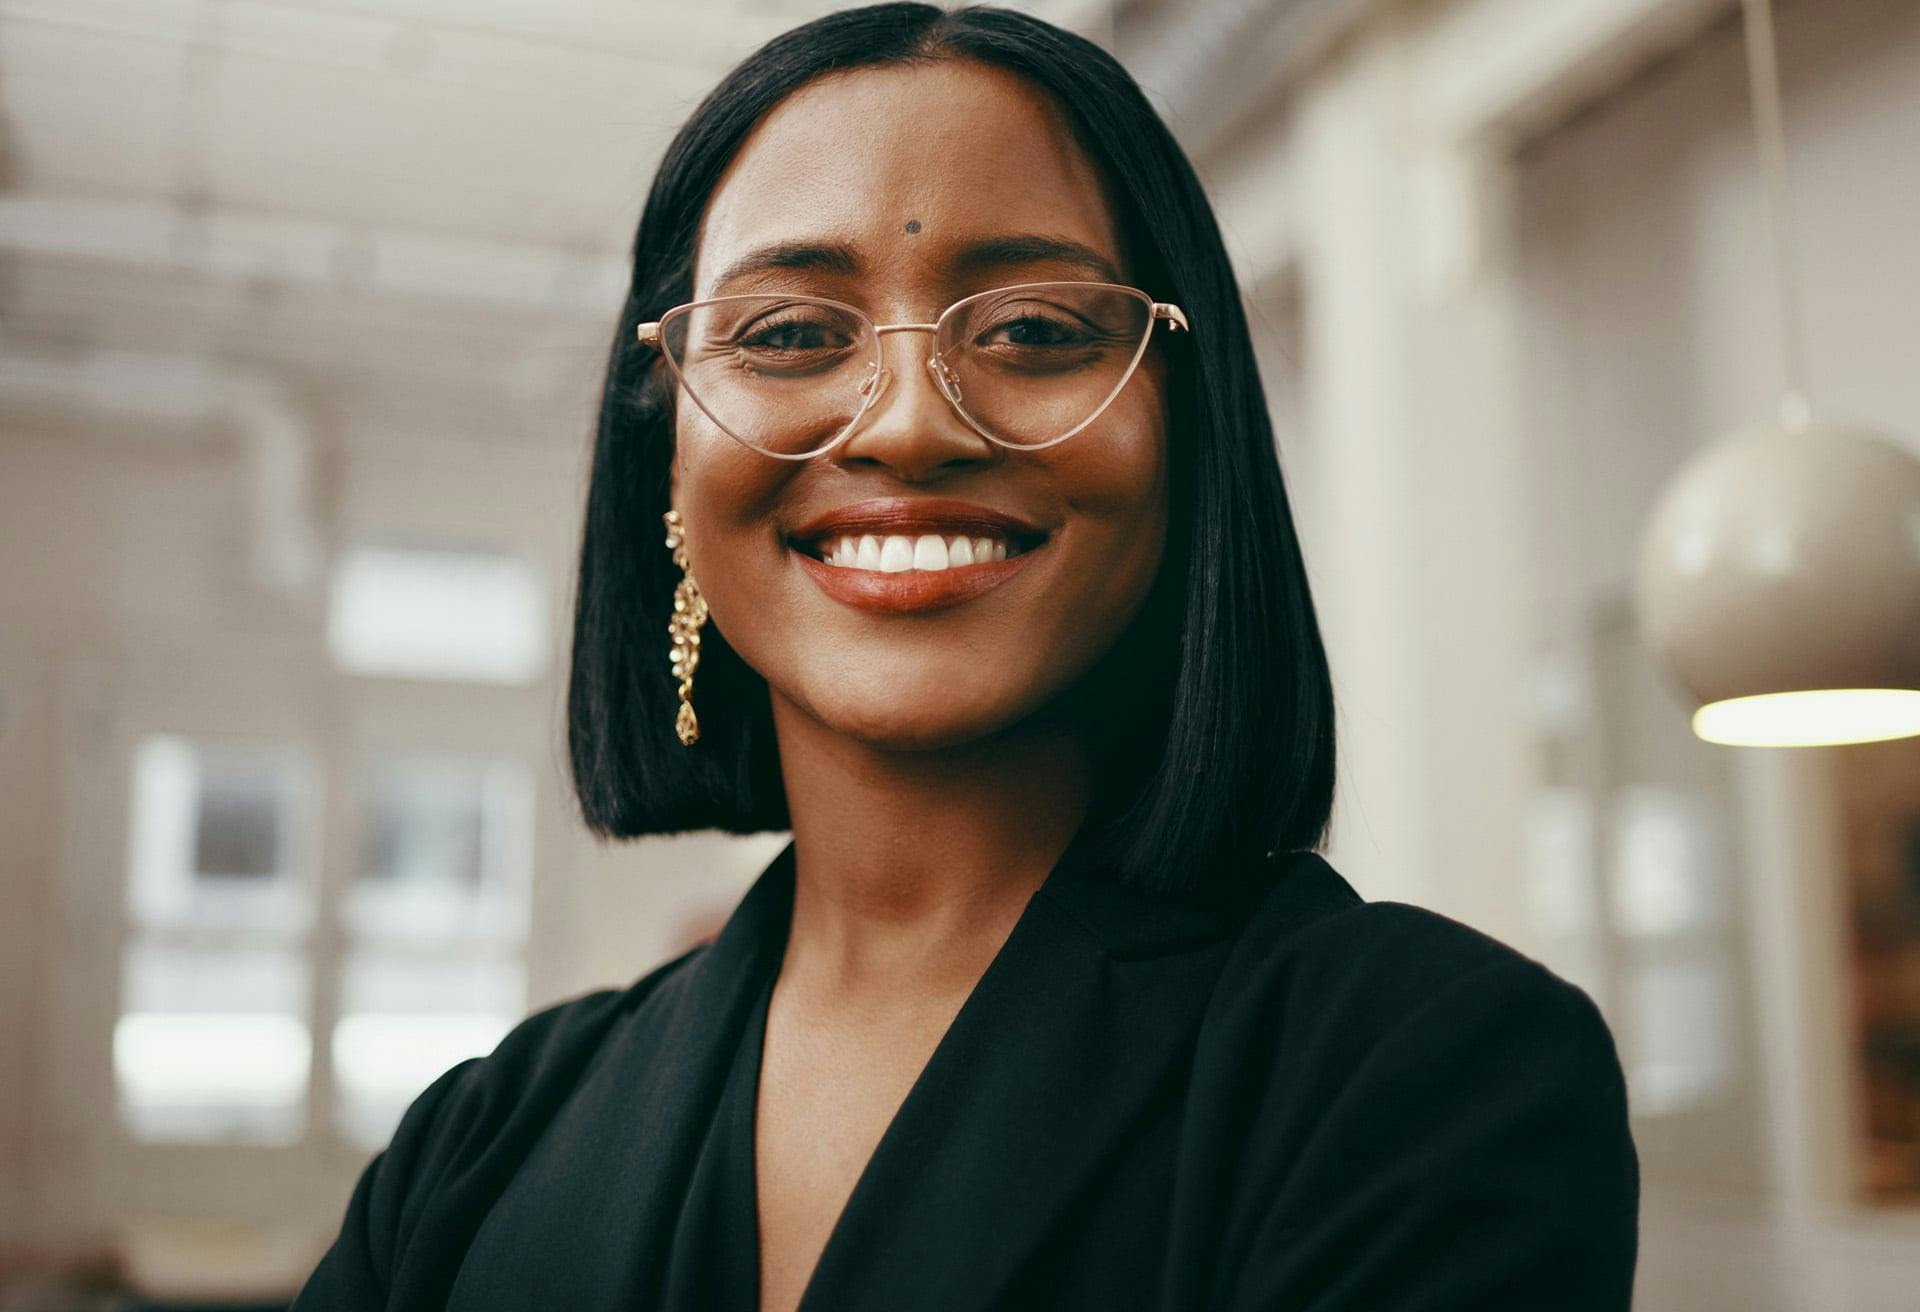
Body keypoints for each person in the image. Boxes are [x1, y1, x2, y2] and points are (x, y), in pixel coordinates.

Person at [292, 4, 1639, 1309]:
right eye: (789, 334)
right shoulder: (482, 1142)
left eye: (1036, 332)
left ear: (1189, 431)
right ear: (668, 454)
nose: (909, 424)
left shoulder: (1422, 1075)